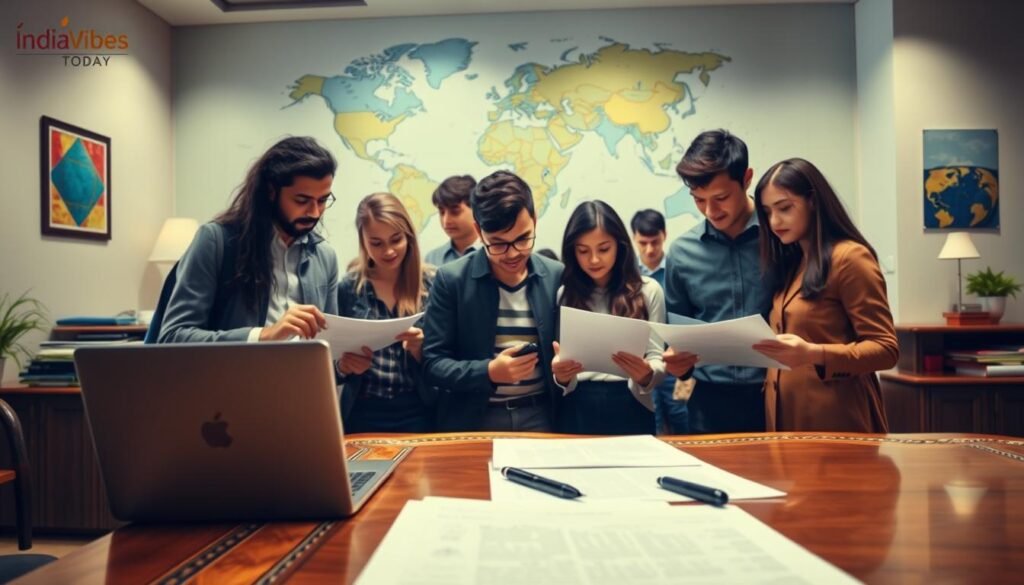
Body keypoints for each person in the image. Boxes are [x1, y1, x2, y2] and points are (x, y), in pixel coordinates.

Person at [751, 158, 898, 432]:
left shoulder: (850, 258)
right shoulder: (793, 262)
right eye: (767, 212)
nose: (774, 221)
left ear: (813, 202)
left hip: (835, 421)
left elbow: (886, 349)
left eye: (784, 208)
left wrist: (813, 353)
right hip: (786, 421)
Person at [158, 136, 339, 343]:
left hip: (304, 375)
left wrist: (343, 364)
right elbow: (173, 337)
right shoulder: (215, 241)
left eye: (323, 200)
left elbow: (328, 343)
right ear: (271, 191)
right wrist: (263, 335)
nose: (315, 212)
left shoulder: (325, 256)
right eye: (302, 200)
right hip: (235, 376)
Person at [422, 171, 564, 432]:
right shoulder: (451, 279)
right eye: (497, 244)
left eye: (523, 239)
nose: (513, 254)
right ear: (479, 231)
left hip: (542, 417)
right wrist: (488, 372)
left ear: (534, 220)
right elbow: (433, 363)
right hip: (475, 420)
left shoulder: (556, 275)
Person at [663, 129, 773, 433]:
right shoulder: (681, 253)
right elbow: (677, 334)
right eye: (698, 200)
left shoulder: (779, 238)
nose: (710, 211)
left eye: (721, 198)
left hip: (775, 396)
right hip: (707, 402)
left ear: (747, 178)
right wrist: (677, 363)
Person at [552, 201, 665, 434]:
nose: (594, 260)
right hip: (578, 405)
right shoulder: (565, 293)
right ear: (572, 251)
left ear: (620, 246)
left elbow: (657, 358)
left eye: (603, 249)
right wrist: (561, 376)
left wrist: (647, 373)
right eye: (583, 251)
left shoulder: (648, 290)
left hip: (631, 402)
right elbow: (562, 366)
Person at [336, 193, 435, 433]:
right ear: (363, 242)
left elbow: (448, 359)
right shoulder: (348, 288)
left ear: (408, 236)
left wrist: (421, 351)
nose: (389, 251)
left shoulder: (432, 284)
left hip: (419, 410)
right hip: (362, 413)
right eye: (376, 243)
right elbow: (328, 363)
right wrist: (344, 366)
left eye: (396, 239)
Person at [631, 209, 687, 434]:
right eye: (643, 243)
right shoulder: (628, 276)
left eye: (655, 242)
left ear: (664, 234)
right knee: (651, 424)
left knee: (682, 418)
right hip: (644, 367)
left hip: (677, 367)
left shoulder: (678, 269)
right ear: (634, 238)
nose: (649, 249)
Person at [424, 175, 480, 266]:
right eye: (442, 212)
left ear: (475, 209)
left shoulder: (494, 253)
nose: (446, 221)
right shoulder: (432, 259)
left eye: (455, 212)